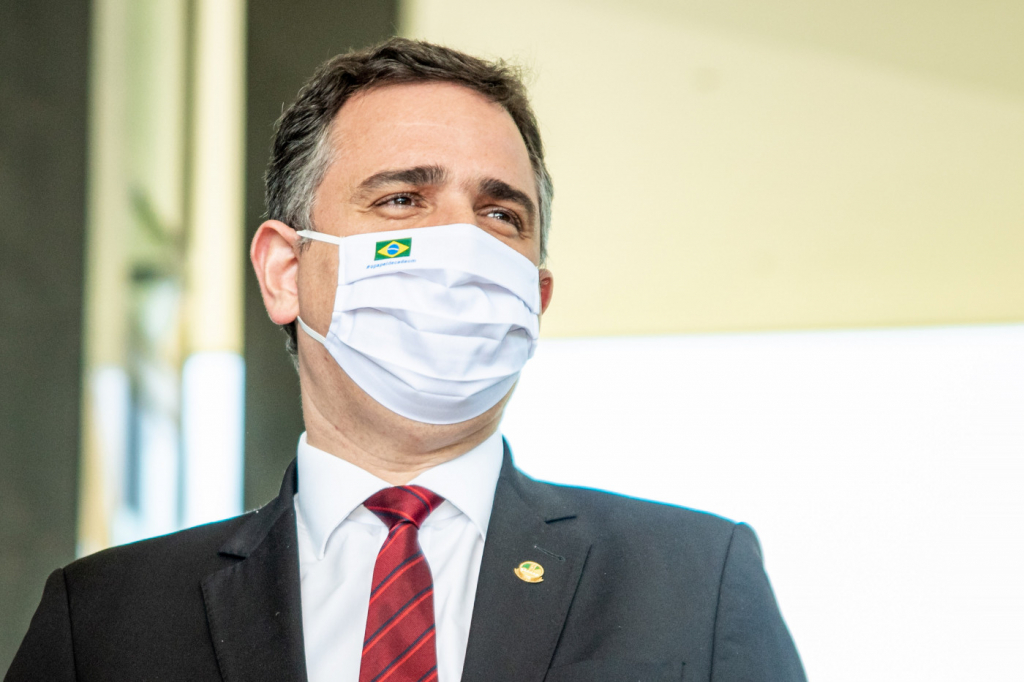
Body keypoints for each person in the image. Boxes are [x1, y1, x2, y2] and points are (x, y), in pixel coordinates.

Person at [6, 39, 805, 682]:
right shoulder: (107, 617)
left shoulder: (696, 579)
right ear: (285, 272)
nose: (461, 241)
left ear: (536, 297)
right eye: (401, 199)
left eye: (501, 213)